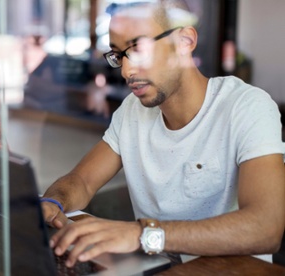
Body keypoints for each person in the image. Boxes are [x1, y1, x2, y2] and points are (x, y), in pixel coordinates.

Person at [41, 0, 285, 268]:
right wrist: (53, 202)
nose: (126, 70)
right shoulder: (132, 111)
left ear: (184, 41)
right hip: (158, 269)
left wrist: (142, 234)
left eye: (138, 48)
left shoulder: (246, 106)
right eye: (119, 55)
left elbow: (266, 227)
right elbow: (82, 181)